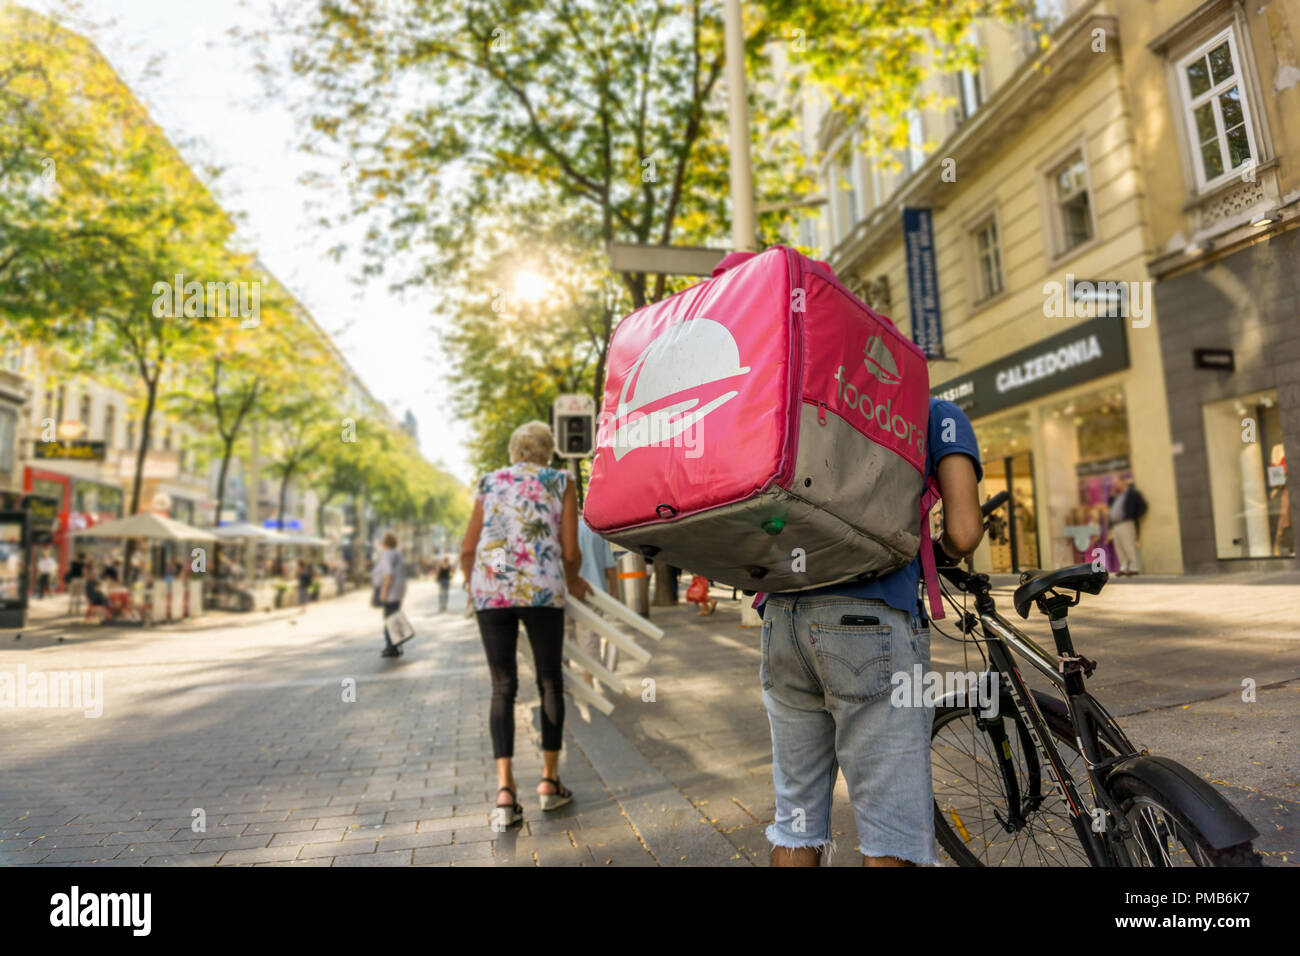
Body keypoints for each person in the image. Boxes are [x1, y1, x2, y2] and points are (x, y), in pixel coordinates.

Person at [760, 397, 983, 867]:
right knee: (892, 831)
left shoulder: (799, 403)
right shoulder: (934, 412)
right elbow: (964, 533)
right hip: (871, 619)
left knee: (796, 820)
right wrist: (937, 552)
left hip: (784, 617)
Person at [460, 420, 590, 829]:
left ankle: (504, 793)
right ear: (549, 450)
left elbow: (467, 548)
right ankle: (549, 783)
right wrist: (573, 580)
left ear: (514, 451)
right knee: (550, 680)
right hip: (540, 588)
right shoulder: (561, 480)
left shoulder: (488, 481)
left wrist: (474, 585)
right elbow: (570, 550)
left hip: (492, 589)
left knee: (502, 686)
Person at [566, 515, 619, 682]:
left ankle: (566, 678)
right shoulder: (595, 532)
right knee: (590, 633)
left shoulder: (561, 531)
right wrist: (614, 592)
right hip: (595, 591)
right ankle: (588, 676)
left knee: (564, 633)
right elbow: (609, 565)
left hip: (566, 590)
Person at [373, 533, 407, 657]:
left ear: (384, 543)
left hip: (390, 591)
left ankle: (391, 647)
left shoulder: (387, 555)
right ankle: (395, 645)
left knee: (389, 619)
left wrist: (383, 592)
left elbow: (388, 574)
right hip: (398, 591)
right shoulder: (398, 554)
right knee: (394, 617)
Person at [1106, 476, 1148, 576]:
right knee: (1119, 547)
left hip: (1126, 523)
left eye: (1117, 483)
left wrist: (1132, 516)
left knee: (1128, 546)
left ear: (1124, 483)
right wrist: (1111, 497)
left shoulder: (1132, 494)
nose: (1115, 485)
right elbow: (1111, 507)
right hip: (1115, 525)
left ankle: (1134, 568)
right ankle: (1123, 568)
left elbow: (1143, 507)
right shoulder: (1117, 495)